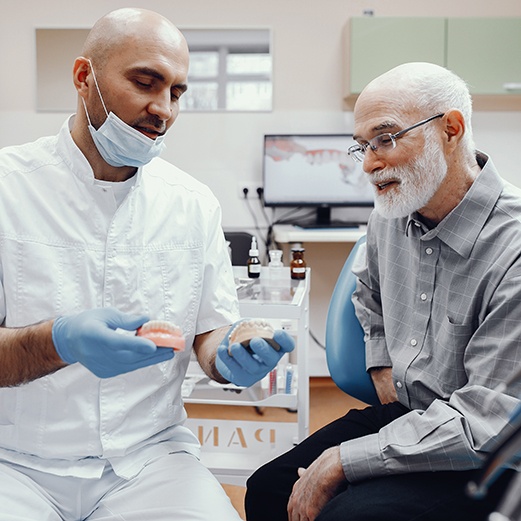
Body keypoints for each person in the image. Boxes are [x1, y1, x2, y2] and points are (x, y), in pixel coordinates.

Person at [0, 8, 294, 521]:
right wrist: (57, 341)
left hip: (150, 461)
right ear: (83, 77)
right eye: (145, 82)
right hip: (15, 462)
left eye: (177, 92)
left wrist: (230, 351)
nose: (163, 109)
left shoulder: (192, 203)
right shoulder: (7, 188)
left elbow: (209, 331)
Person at [245, 62, 521, 521]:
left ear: (451, 129)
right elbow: (367, 290)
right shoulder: (390, 214)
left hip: (485, 450)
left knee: (346, 515)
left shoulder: (512, 248)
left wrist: (343, 461)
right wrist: (380, 361)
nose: (370, 163)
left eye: (386, 138)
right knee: (268, 490)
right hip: (409, 415)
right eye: (362, 147)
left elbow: (484, 423)